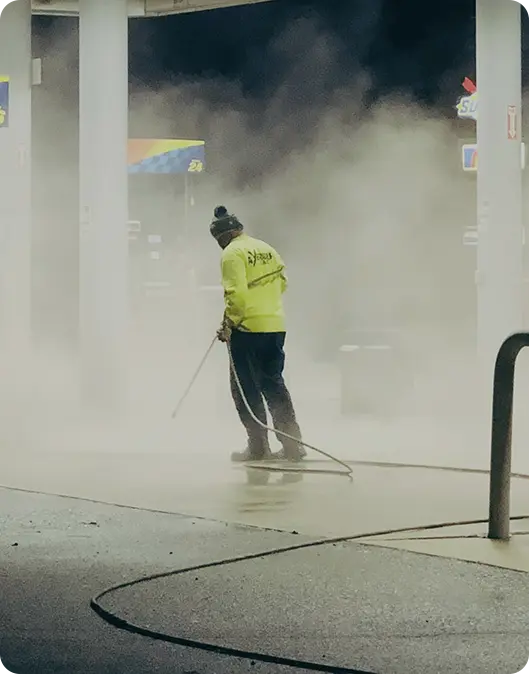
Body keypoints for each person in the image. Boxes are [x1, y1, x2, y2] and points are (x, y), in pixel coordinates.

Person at [210, 205, 306, 463]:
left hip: (248, 330)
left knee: (245, 389)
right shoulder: (266, 248)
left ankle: (258, 447)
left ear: (222, 236)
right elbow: (282, 282)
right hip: (275, 326)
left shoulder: (232, 254)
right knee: (274, 385)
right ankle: (293, 445)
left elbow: (237, 295)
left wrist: (230, 323)